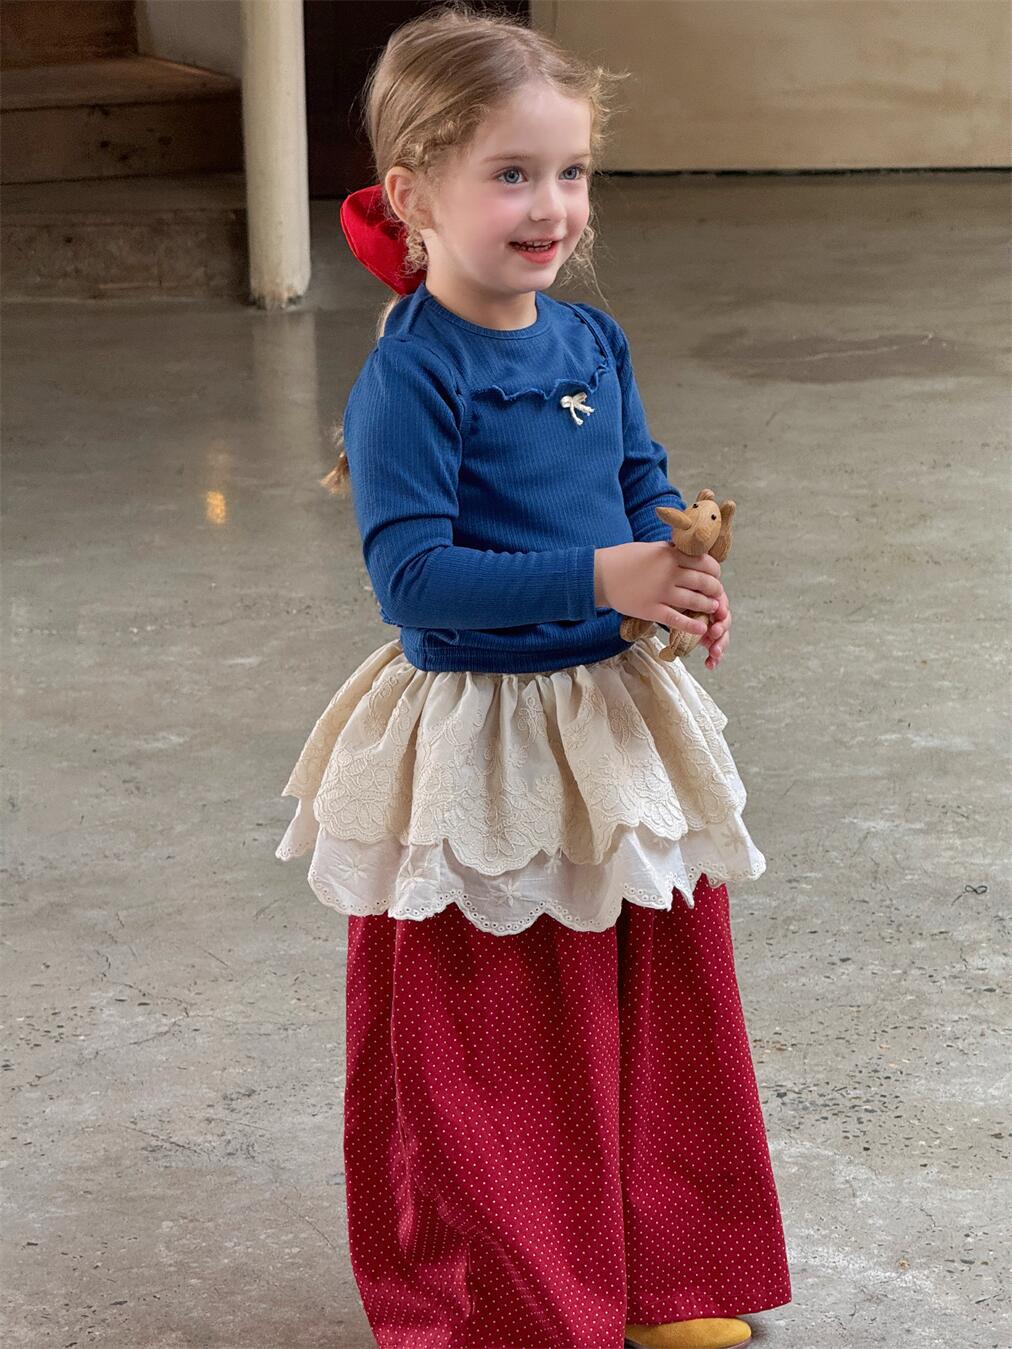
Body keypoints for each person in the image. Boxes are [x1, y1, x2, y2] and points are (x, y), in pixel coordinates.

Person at [275, 5, 792, 1346]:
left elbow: (637, 480)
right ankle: (510, 1303)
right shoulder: (410, 378)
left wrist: (677, 566)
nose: (552, 206)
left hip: (606, 719)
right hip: (484, 740)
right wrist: (605, 578)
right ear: (413, 195)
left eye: (570, 171)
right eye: (511, 173)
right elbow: (417, 584)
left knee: (654, 998)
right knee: (499, 1039)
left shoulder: (591, 344)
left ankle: (660, 1275)